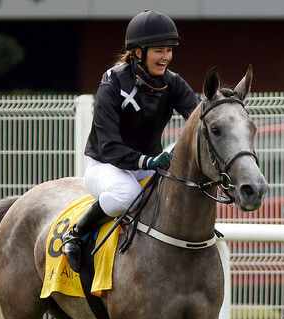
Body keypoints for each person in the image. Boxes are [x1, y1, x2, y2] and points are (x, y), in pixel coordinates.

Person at [60, 9, 200, 271]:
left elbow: (198, 119)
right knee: (128, 195)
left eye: (169, 50)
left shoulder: (173, 83)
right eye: (159, 50)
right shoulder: (112, 83)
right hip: (106, 166)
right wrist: (148, 160)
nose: (167, 57)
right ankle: (76, 233)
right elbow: (109, 146)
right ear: (138, 52)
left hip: (146, 165)